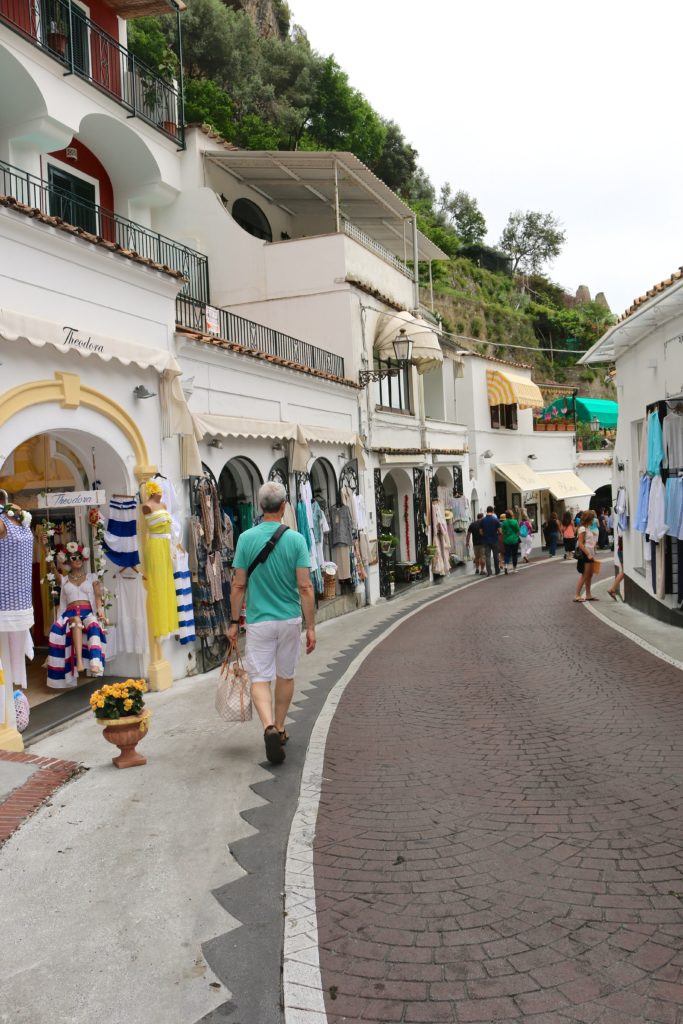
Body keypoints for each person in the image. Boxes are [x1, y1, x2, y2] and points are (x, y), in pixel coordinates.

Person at [228, 481, 316, 765]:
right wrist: (311, 625)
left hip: (258, 621)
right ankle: (279, 727)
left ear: (259, 507)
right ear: (283, 507)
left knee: (260, 678)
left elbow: (238, 585)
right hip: (289, 619)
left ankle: (266, 725)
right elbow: (305, 587)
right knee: (285, 675)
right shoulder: (296, 540)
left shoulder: (245, 539)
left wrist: (233, 621)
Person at [47, 543, 107, 688]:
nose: (77, 560)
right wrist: (46, 550)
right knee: (75, 621)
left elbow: (98, 596)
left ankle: (94, 662)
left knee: (92, 622)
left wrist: (100, 611)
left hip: (87, 611)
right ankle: (79, 662)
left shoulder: (92, 577)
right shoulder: (64, 580)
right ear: (68, 560)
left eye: (80, 557)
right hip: (70, 614)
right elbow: (52, 569)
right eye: (74, 558)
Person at [574, 509, 599, 602]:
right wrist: (588, 554)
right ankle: (577, 595)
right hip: (585, 555)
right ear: (589, 519)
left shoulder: (587, 528)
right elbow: (580, 543)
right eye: (592, 519)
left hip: (590, 554)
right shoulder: (582, 529)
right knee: (585, 575)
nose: (593, 521)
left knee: (590, 575)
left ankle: (588, 594)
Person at [480, 506, 501, 576]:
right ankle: (497, 570)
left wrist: (485, 534)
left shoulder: (482, 520)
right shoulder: (496, 520)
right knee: (496, 556)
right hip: (495, 539)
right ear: (492, 511)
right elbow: (500, 531)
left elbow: (481, 532)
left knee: (487, 556)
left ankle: (489, 572)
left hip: (486, 540)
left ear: (486, 511)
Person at [501, 509, 521, 573]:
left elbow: (502, 532)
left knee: (507, 554)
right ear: (511, 515)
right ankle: (514, 569)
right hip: (514, 540)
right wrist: (517, 536)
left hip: (507, 540)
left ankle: (506, 566)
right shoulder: (515, 522)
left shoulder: (504, 523)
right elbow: (518, 531)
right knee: (514, 554)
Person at [608, 533, 625, 600]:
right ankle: (612, 589)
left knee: (622, 572)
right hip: (622, 551)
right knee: (623, 572)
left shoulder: (620, 527)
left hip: (620, 550)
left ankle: (612, 589)